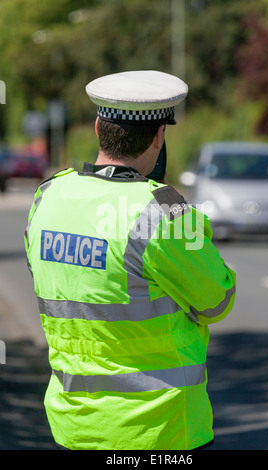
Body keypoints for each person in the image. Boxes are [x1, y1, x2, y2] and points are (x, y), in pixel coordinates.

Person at [24, 70, 236, 451]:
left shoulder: (48, 196)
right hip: (161, 431)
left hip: (74, 428)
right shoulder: (165, 212)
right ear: (159, 136)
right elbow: (217, 300)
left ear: (96, 128)